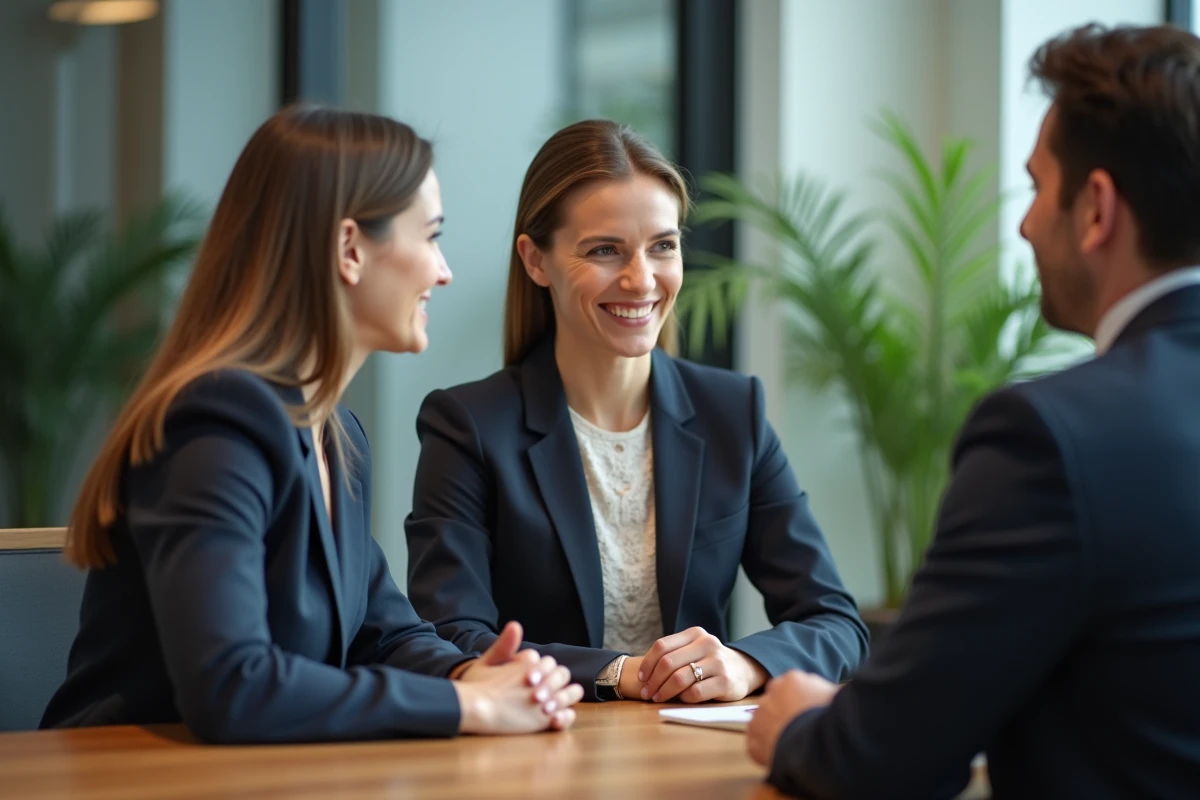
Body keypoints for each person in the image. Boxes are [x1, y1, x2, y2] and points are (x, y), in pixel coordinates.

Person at [747, 23, 1200, 800]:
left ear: (1095, 209)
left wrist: (798, 721)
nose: (1024, 224)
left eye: (1034, 186)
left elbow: (885, 759)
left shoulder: (1052, 440)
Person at [40, 106, 582, 744]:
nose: (444, 271)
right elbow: (231, 686)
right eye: (431, 236)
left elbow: (383, 629)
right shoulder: (214, 424)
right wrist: (469, 709)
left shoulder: (334, 431)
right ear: (350, 249)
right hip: (129, 780)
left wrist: (474, 674)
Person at [404, 119, 867, 706]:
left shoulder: (733, 414)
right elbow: (451, 637)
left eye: (663, 246)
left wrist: (746, 663)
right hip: (535, 754)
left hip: (690, 758)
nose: (641, 279)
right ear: (535, 260)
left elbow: (836, 621)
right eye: (604, 250)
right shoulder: (467, 426)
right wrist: (617, 671)